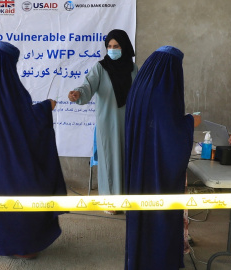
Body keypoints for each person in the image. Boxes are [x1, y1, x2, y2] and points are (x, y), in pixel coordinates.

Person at [0, 41, 67, 258]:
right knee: (22, 188)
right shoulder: (8, 86)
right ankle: (22, 247)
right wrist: (46, 107)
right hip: (4, 158)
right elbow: (26, 121)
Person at [124, 46, 200, 270]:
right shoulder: (164, 93)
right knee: (159, 218)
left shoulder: (140, 86)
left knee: (141, 219)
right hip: (157, 172)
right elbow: (171, 134)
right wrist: (190, 122)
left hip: (140, 167)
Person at [68, 29, 137, 215]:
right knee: (110, 160)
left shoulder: (133, 69)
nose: (112, 50)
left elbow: (140, 94)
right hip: (108, 124)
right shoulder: (101, 67)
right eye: (109, 46)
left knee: (127, 159)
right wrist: (78, 94)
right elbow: (88, 86)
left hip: (129, 123)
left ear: (125, 47)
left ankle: (126, 199)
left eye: (116, 46)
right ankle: (110, 202)